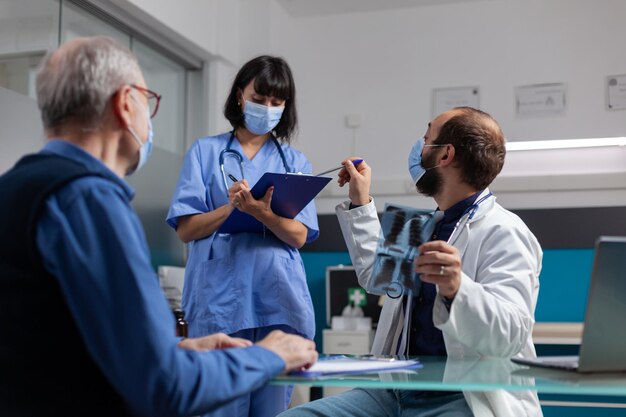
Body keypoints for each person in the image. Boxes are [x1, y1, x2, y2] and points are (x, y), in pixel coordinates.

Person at [0, 36, 317, 417]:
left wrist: (178, 350)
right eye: (148, 100)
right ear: (124, 104)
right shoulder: (88, 198)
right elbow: (163, 384)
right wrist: (267, 358)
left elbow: (64, 338)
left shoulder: (15, 186)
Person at [281, 107, 543, 417]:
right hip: (392, 393)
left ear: (445, 155)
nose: (419, 145)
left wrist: (458, 289)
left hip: (462, 397)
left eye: (426, 136)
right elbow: (375, 276)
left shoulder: (506, 231)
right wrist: (360, 200)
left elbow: (510, 336)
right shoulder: (418, 224)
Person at [166, 55, 318, 417]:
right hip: (220, 303)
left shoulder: (294, 162)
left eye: (276, 103)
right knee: (219, 406)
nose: (267, 108)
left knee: (271, 411)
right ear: (239, 96)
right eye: (259, 98)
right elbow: (187, 229)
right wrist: (232, 209)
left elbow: (299, 236)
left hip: (277, 304)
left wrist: (263, 213)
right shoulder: (205, 152)